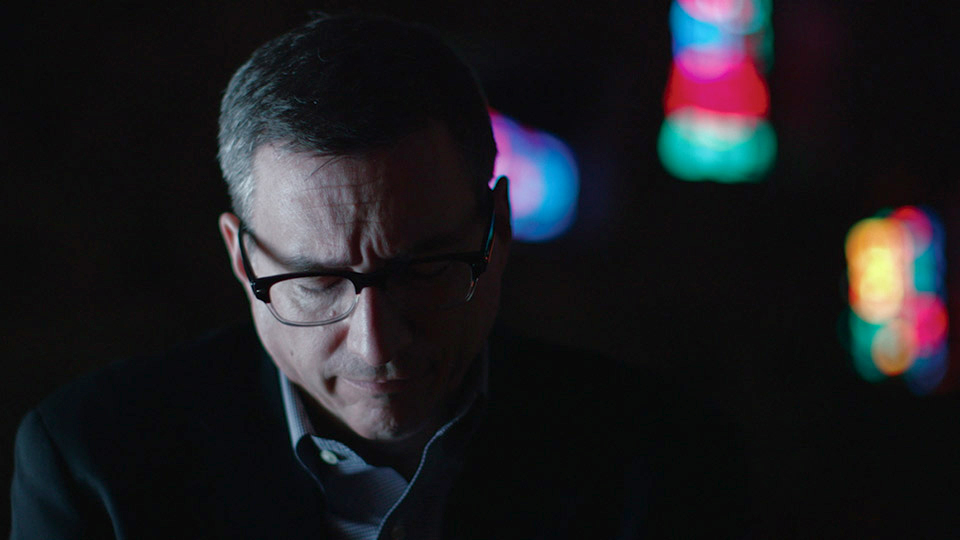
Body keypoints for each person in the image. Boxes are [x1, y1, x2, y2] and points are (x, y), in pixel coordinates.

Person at [9, 13, 746, 539]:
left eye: (423, 270)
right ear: (242, 258)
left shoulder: (662, 463)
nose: (376, 345)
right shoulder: (92, 463)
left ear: (498, 230)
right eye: (316, 283)